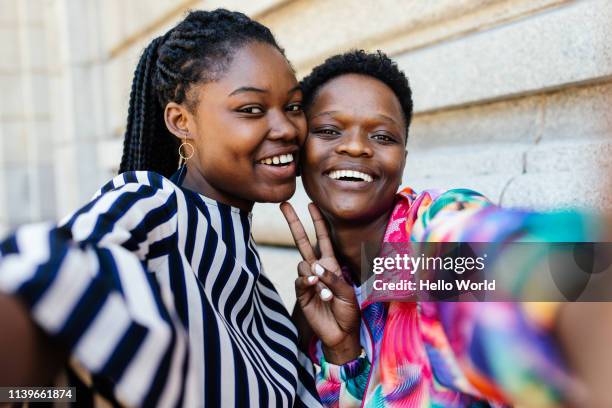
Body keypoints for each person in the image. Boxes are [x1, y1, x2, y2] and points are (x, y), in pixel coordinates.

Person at [0, 9, 322, 407]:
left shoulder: (259, 290)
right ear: (181, 120)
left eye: (292, 106)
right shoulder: (153, 207)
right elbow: (41, 279)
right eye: (251, 110)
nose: (287, 128)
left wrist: (324, 340)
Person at [281, 50, 612, 407]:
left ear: (403, 159)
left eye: (383, 137)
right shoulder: (321, 295)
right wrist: (343, 353)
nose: (356, 147)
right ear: (300, 150)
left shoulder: (426, 235)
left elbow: (499, 262)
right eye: (329, 131)